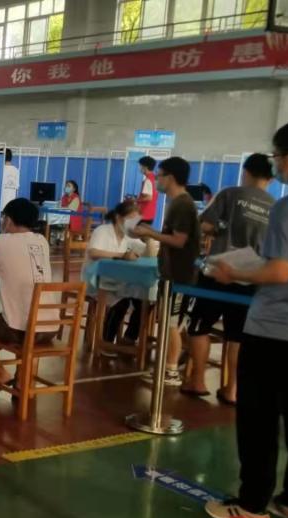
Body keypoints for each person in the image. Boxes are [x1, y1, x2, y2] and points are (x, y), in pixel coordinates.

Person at [203, 121, 288, 518]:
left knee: (258, 420)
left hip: (275, 330)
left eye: (279, 156)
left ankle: (252, 505)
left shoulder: (287, 208)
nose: (277, 165)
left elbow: (280, 271)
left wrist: (233, 273)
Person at [182, 153, 274, 402]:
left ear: (246, 171)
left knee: (199, 327)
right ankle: (232, 389)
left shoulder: (230, 194)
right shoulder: (276, 207)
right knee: (237, 336)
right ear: (271, 178)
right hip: (250, 278)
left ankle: (197, 381)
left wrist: (220, 228)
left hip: (218, 272)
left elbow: (203, 224)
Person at [0, 199, 57, 386]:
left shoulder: (1, 241)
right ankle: (23, 382)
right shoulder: (42, 241)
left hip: (19, 330)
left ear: (8, 220)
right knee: (22, 322)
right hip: (50, 327)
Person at [130, 157, 201, 387]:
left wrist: (150, 233)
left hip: (180, 276)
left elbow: (179, 241)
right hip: (171, 274)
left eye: (159, 176)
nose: (156, 180)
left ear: (170, 177)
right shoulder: (176, 203)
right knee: (170, 323)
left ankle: (170, 370)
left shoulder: (182, 204)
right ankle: (171, 365)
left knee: (172, 324)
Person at [83, 200, 145, 347]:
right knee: (122, 301)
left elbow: (144, 249)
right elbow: (93, 252)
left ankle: (129, 338)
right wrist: (121, 255)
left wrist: (148, 238)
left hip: (117, 281)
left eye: (135, 221)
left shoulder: (128, 236)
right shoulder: (103, 231)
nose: (132, 224)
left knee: (144, 300)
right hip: (96, 281)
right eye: (130, 219)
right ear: (118, 217)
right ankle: (106, 342)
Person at [137, 155, 159, 225]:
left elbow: (149, 197)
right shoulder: (155, 179)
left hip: (144, 214)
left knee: (129, 227)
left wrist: (136, 200)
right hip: (151, 213)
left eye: (140, 166)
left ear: (145, 167)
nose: (139, 168)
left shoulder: (148, 180)